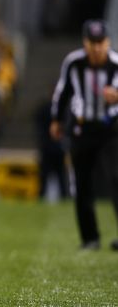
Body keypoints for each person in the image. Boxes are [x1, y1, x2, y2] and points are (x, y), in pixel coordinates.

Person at [50, 19, 118, 250]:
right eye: (93, 43)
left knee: (117, 179)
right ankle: (90, 238)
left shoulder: (116, 64)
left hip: (112, 130)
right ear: (85, 43)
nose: (97, 48)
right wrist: (57, 120)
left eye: (101, 43)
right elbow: (63, 91)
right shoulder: (74, 63)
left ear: (108, 42)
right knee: (82, 184)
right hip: (82, 129)